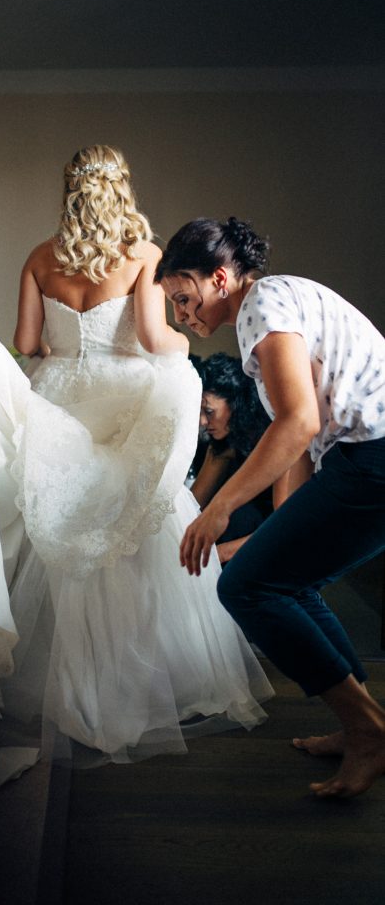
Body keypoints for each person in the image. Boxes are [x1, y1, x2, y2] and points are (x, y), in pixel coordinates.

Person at [4, 147, 274, 761]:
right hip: (124, 400)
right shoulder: (143, 256)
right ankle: (140, 680)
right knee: (137, 520)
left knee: (59, 522)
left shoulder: (41, 258)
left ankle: (67, 686)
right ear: (122, 190)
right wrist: (184, 341)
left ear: (69, 192)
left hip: (60, 401)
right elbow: (157, 340)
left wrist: (64, 351)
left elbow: (25, 344)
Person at [156, 215, 385, 797]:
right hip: (362, 460)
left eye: (185, 298)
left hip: (374, 459)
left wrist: (218, 510)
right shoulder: (278, 300)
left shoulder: (264, 306)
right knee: (289, 580)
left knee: (246, 588)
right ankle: (360, 720)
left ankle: (369, 731)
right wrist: (282, 526)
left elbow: (297, 422)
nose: (183, 315)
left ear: (222, 277)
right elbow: (303, 436)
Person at [191, 352, 274, 564]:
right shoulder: (223, 440)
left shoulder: (271, 438)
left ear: (236, 403)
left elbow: (285, 526)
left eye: (209, 411)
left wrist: (217, 555)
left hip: (265, 537)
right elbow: (195, 501)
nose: (202, 421)